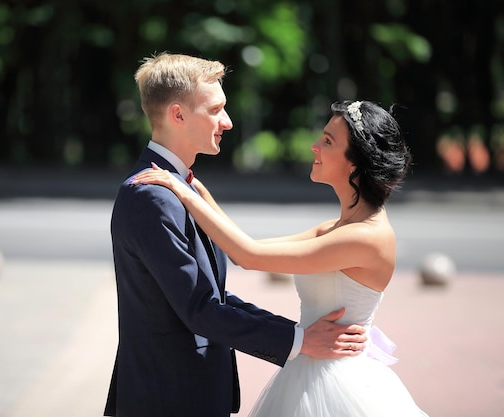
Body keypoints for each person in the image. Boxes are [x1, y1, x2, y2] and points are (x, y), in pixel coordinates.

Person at [104, 53, 368, 417]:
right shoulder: (152, 195)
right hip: (167, 397)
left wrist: (297, 334)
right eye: (215, 110)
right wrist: (300, 341)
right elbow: (201, 310)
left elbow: (213, 294)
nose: (227, 122)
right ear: (178, 115)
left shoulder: (180, 187)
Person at [132, 99, 429, 416]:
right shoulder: (337, 228)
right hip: (311, 368)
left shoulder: (366, 237)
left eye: (327, 141)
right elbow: (247, 246)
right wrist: (197, 190)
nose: (315, 147)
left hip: (339, 381)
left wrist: (183, 193)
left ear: (355, 161)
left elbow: (249, 256)